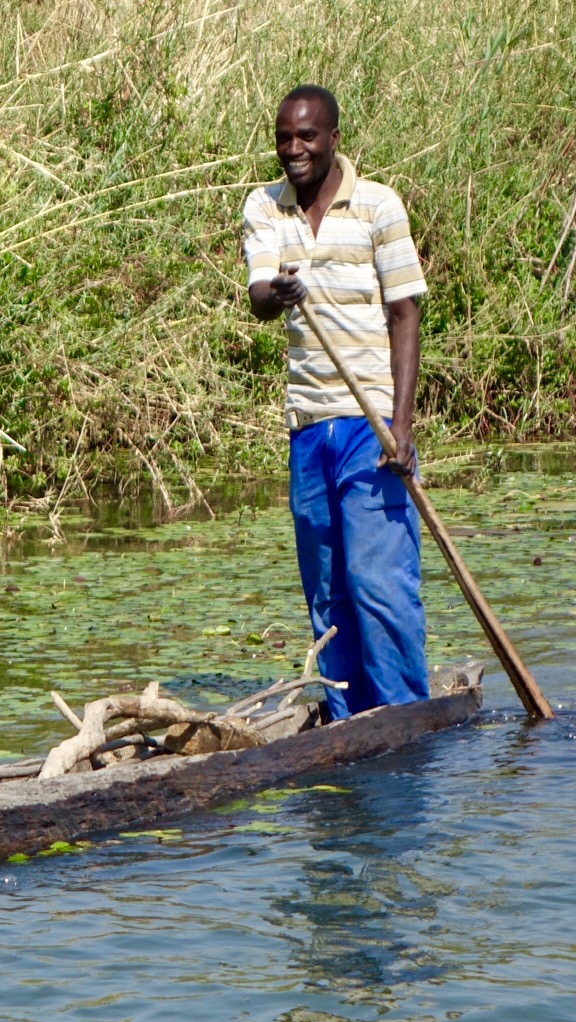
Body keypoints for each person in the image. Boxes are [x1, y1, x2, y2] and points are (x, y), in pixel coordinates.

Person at [242, 84, 429, 719]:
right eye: (283, 138)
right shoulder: (266, 209)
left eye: (307, 138)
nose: (293, 150)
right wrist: (281, 292)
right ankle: (350, 723)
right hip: (308, 426)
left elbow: (405, 315)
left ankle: (403, 716)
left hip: (369, 423)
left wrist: (400, 426)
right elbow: (260, 299)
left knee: (379, 585)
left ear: (333, 139)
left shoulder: (378, 207)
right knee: (326, 592)